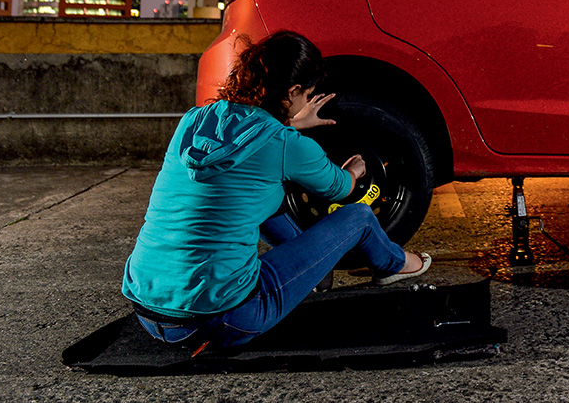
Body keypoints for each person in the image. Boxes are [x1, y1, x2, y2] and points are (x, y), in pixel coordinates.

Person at [121, 30, 430, 350]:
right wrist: (353, 170)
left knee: (252, 196)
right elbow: (341, 190)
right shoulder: (284, 144)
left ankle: (317, 276)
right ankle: (397, 264)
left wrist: (291, 125)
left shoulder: (194, 121)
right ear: (294, 90)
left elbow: (246, 148)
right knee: (360, 216)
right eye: (306, 93)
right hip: (221, 319)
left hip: (147, 311)